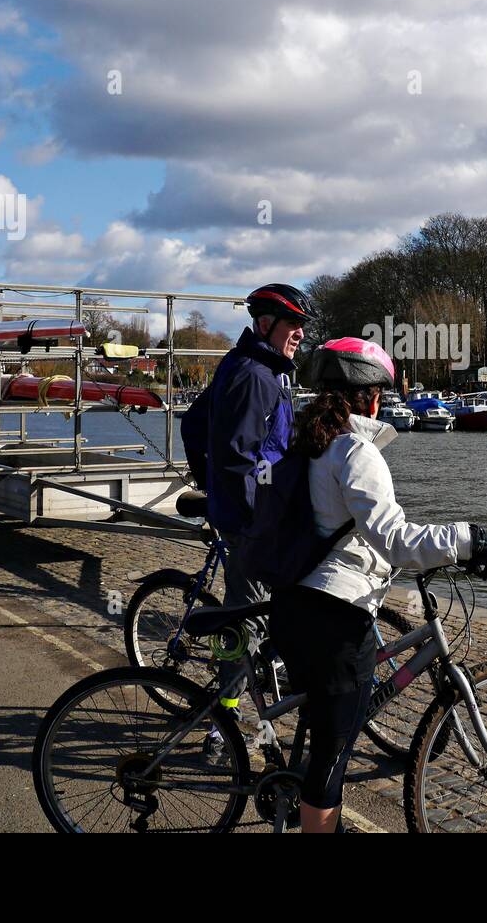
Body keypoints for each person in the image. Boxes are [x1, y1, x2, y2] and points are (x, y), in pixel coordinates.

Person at [273, 337, 487, 833]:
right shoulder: (355, 450)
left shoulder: (307, 443)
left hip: (293, 602)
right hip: (334, 617)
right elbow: (396, 540)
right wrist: (469, 539)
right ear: (372, 395)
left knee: (321, 735)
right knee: (331, 760)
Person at [188, 283, 317, 719]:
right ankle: (222, 721)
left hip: (255, 513)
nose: (300, 332)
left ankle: (269, 672)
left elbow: (193, 425)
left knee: (266, 610)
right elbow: (242, 459)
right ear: (266, 324)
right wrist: (250, 519)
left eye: (303, 325)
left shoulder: (259, 367)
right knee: (245, 623)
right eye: (294, 324)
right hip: (250, 522)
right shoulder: (254, 376)